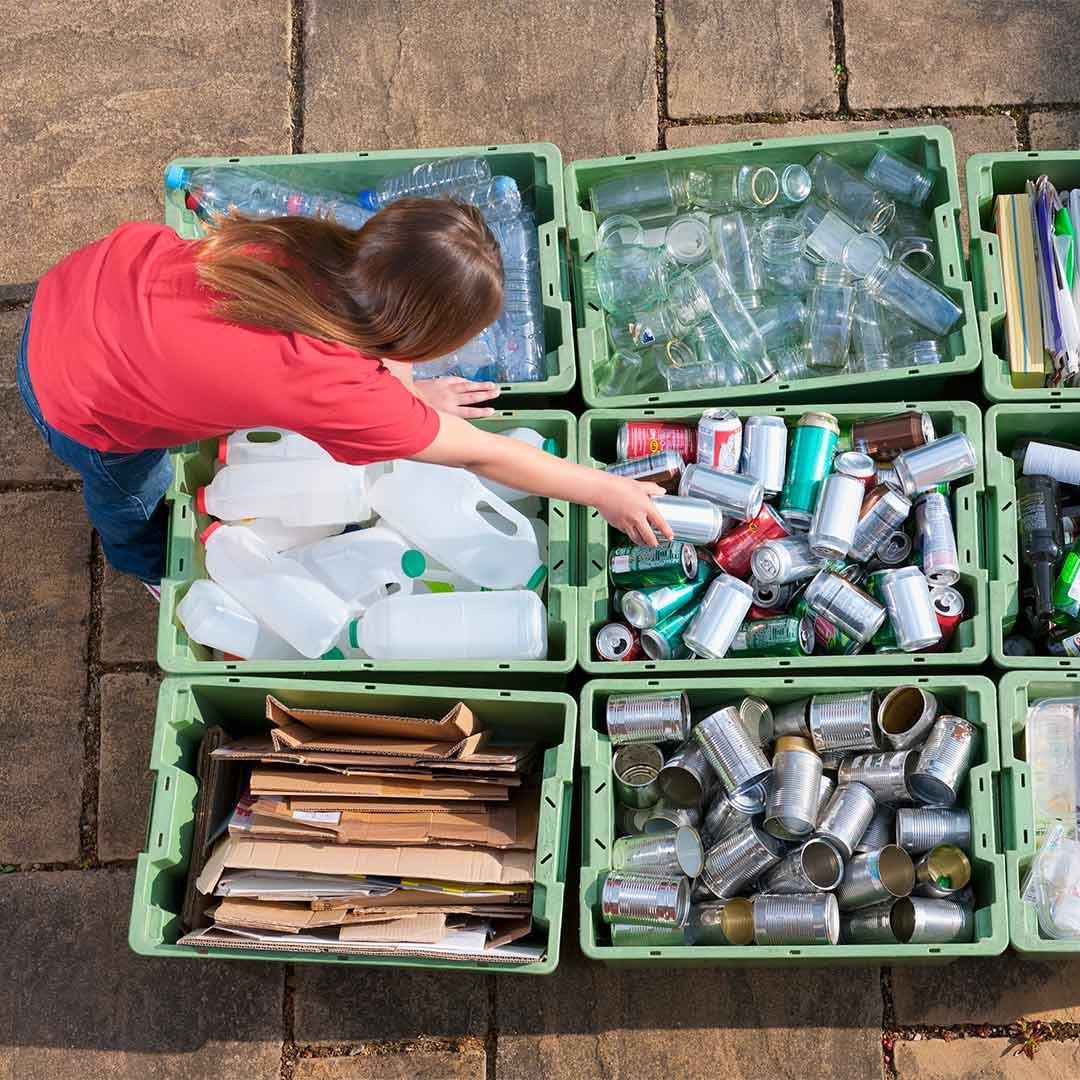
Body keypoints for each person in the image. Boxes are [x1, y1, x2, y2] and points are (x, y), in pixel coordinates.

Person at [17, 199, 672, 593]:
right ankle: (142, 563)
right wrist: (604, 490)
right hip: (74, 396)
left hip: (83, 284)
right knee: (130, 489)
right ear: (420, 338)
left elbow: (356, 347)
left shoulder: (309, 245)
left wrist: (410, 398)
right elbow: (483, 455)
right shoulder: (335, 386)